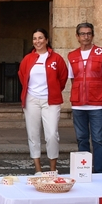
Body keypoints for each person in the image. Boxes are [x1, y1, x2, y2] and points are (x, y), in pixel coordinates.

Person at [17, 28, 68, 174]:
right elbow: (22, 75)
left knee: (52, 134)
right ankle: (38, 169)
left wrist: (54, 90)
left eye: (40, 38)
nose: (37, 41)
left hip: (50, 100)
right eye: (34, 38)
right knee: (33, 134)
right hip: (31, 100)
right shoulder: (27, 59)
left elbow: (62, 78)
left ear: (46, 40)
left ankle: (52, 168)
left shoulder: (56, 58)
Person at [67, 23, 102, 173]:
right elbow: (73, 79)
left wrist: (100, 92)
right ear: (77, 36)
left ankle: (100, 171)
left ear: (92, 35)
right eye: (82, 34)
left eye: (88, 33)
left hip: (97, 105)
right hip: (78, 105)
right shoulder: (72, 55)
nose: (85, 37)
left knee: (98, 140)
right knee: (81, 139)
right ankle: (84, 170)